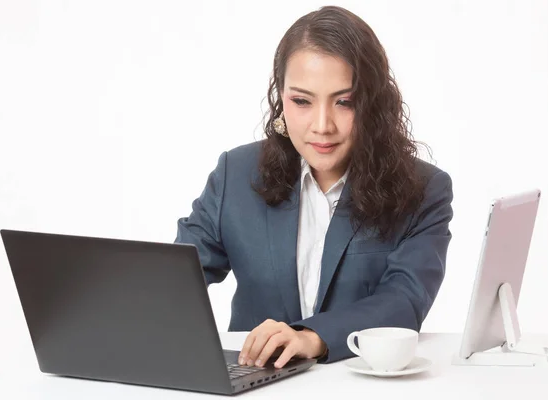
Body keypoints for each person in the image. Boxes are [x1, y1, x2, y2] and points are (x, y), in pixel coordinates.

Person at [175, 5, 453, 369]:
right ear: (280, 98)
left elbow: (405, 299)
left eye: (345, 102)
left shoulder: (423, 189)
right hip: (253, 384)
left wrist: (311, 337)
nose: (322, 125)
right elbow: (178, 277)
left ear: (374, 103)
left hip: (359, 384)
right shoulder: (236, 173)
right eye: (302, 101)